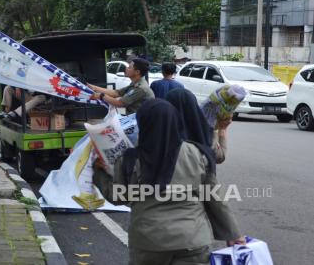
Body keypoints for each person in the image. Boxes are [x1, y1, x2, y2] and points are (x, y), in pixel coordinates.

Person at [93, 99, 244, 265]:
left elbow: (117, 197)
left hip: (148, 241)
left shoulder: (131, 159)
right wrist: (234, 234)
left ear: (143, 123)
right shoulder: (198, 154)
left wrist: (99, 172)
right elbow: (215, 198)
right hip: (192, 238)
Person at [88, 58, 154, 115]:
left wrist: (101, 96)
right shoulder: (135, 83)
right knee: (111, 111)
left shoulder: (141, 88)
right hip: (130, 115)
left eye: (129, 67)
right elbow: (117, 93)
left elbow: (120, 103)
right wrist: (94, 88)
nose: (126, 68)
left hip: (135, 120)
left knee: (112, 112)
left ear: (137, 72)